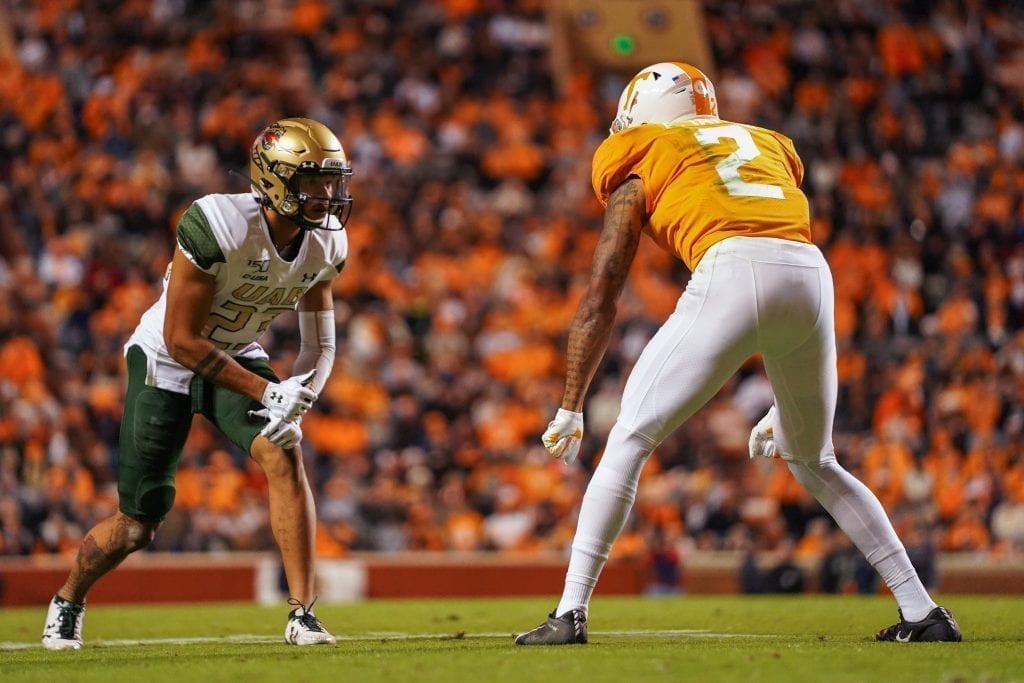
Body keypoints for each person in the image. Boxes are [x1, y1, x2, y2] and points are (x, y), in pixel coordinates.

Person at [514, 63, 961, 645]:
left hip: (732, 266)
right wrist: (787, 392)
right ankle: (922, 611)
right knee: (814, 459)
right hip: (809, 274)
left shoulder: (641, 150)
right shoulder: (767, 143)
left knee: (629, 437)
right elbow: (776, 248)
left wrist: (571, 404)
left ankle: (568, 613)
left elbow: (604, 289)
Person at [42, 118, 353, 649]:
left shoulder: (326, 246)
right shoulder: (217, 222)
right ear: (274, 180)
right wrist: (266, 391)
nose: (326, 195)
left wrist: (301, 397)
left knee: (285, 453)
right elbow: (182, 339)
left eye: (332, 181)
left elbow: (319, 345)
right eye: (311, 181)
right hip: (167, 358)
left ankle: (303, 613)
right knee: (138, 524)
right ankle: (69, 598)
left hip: (236, 353)